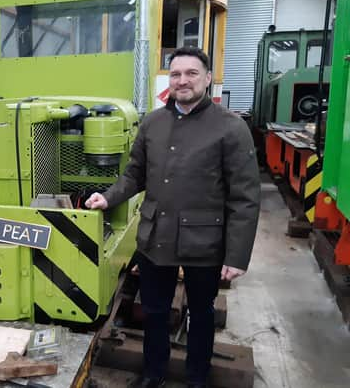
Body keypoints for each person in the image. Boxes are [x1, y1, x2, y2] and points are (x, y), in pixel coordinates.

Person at [86, 47, 260, 388]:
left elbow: (245, 197)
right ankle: (154, 374)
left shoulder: (230, 128)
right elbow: (134, 174)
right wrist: (107, 197)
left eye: (191, 73)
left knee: (201, 314)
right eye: (176, 74)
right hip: (156, 239)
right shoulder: (153, 122)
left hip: (205, 245)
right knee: (154, 312)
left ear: (208, 79)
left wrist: (236, 256)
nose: (183, 81)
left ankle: (197, 377)